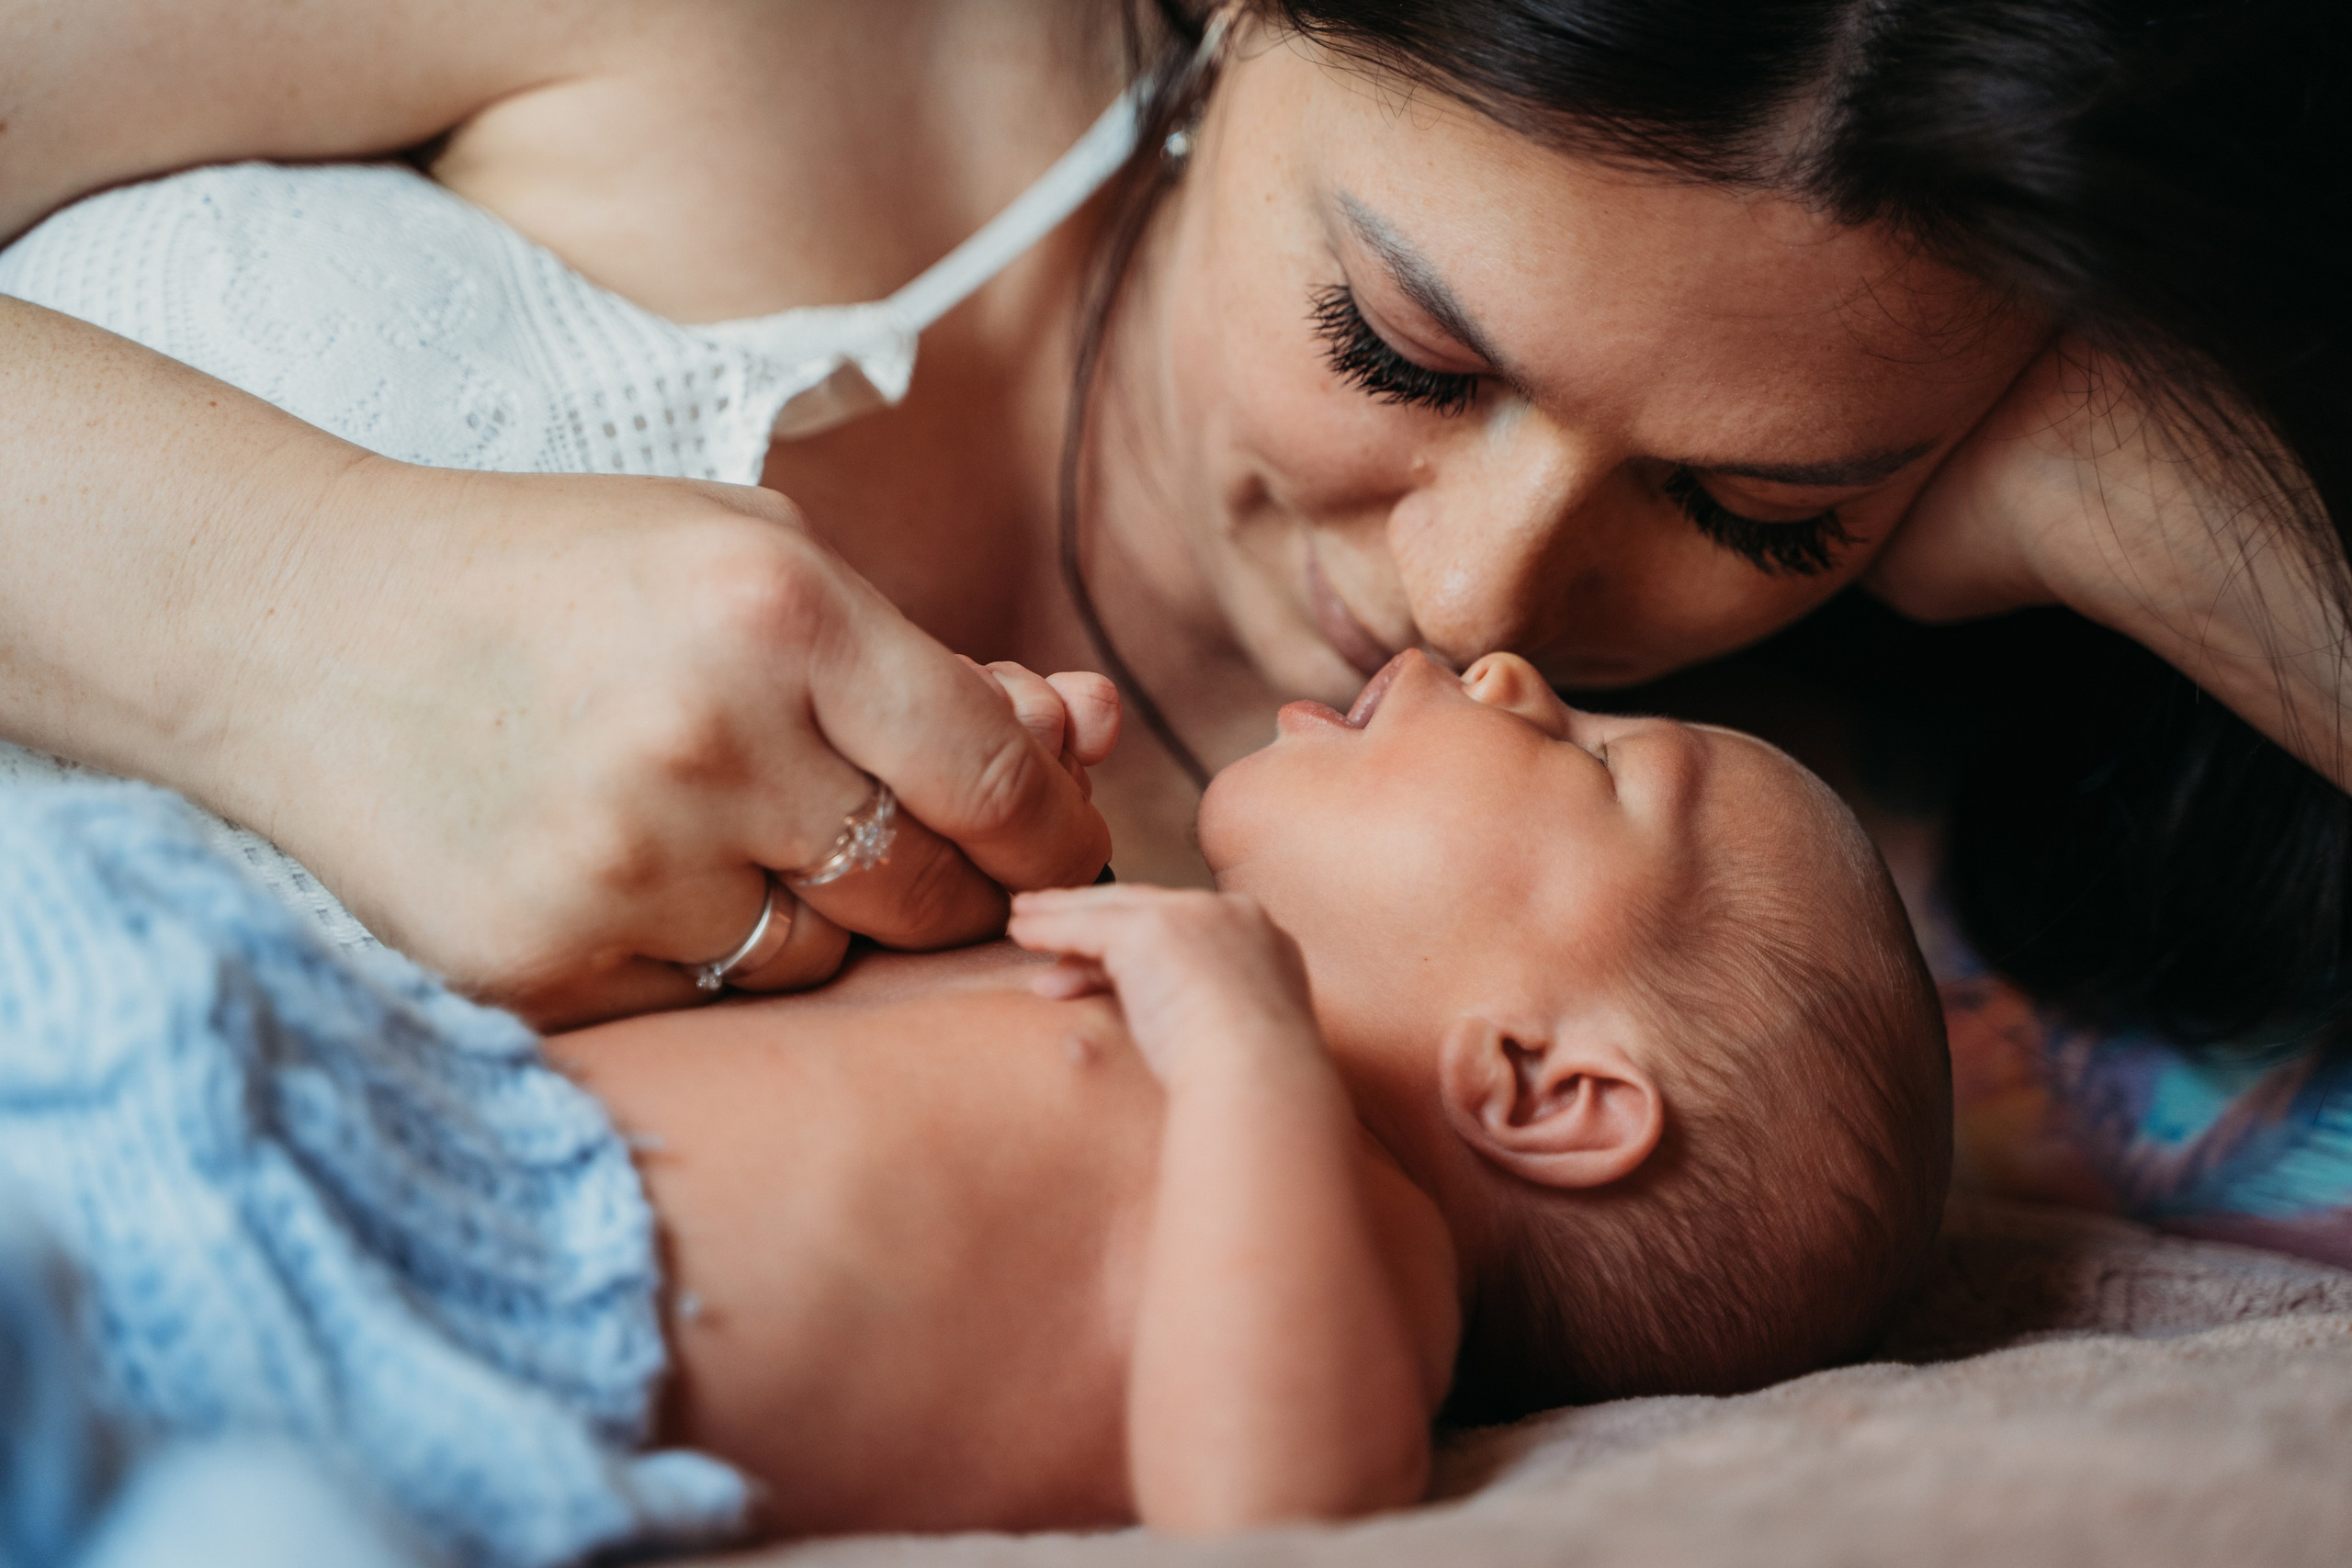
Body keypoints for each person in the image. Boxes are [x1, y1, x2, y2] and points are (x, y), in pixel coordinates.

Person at [0, 1, 2341, 1036]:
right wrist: (287, 612)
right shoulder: (744, 30)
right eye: (1396, 351)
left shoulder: (1743, 899)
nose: (1475, 594)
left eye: (1754, 509)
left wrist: (2163, 484)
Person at [0, 649, 1949, 1555]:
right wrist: (922, 825)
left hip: (422, 1379)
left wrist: (1251, 1048)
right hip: (325, 1146)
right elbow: (628, 981)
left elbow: (1269, 1492)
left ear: (1542, 1087)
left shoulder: (1359, 1229)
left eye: (1599, 765)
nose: (1521, 668)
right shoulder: (1102, 937)